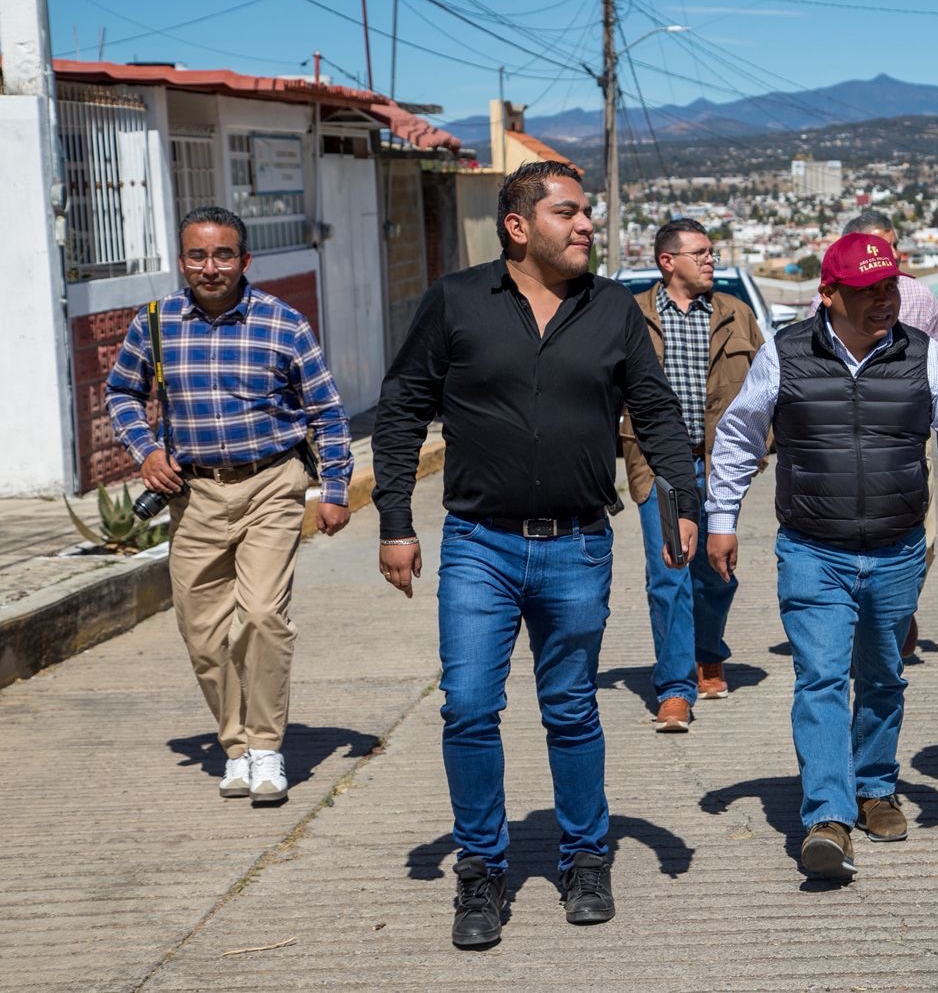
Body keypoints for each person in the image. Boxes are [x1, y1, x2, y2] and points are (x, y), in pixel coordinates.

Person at [371, 161, 700, 947]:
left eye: (586, 213)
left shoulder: (612, 308)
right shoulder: (456, 301)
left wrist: (683, 504)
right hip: (478, 546)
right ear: (518, 227)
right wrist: (395, 521)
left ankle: (586, 857)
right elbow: (403, 408)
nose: (586, 224)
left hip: (578, 545)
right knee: (468, 706)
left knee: (572, 708)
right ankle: (481, 870)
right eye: (568, 213)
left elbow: (656, 411)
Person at [706, 231, 938, 881]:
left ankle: (875, 786)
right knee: (822, 679)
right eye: (868, 291)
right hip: (812, 549)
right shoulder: (785, 354)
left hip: (896, 550)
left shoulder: (922, 355)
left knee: (883, 676)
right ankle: (828, 817)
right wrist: (722, 518)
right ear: (829, 294)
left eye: (890, 287)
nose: (885, 301)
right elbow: (740, 436)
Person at [105, 205, 353, 807]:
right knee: (203, 632)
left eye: (222, 255)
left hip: (270, 485)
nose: (210, 267)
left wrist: (335, 489)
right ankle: (236, 748)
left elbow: (325, 412)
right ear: (182, 260)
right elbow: (122, 392)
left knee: (262, 616)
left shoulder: (283, 324)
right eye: (198, 255)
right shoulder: (156, 323)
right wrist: (146, 451)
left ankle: (266, 748)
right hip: (193, 494)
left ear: (244, 260)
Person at [619, 218, 764, 730]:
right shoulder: (631, 315)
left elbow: (767, 384)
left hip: (719, 464)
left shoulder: (735, 313)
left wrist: (766, 444)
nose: (710, 261)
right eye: (699, 253)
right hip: (657, 465)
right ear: (668, 261)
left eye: (711, 252)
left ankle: (708, 651)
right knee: (669, 573)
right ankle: (675, 688)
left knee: (715, 571)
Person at [805, 210, 938, 661]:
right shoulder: (827, 299)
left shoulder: (919, 296)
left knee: (920, 535)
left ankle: (896, 606)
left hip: (907, 439)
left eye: (890, 247)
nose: (884, 256)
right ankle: (859, 616)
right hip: (840, 437)